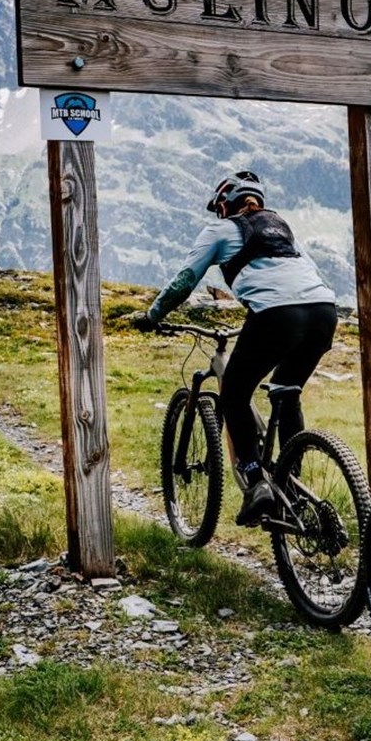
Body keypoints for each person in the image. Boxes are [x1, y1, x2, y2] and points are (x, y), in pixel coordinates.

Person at [134, 170, 339, 525]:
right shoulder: (284, 229)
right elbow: (305, 275)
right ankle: (291, 483)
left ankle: (256, 481)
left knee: (233, 393)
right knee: (286, 391)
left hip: (275, 315)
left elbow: (185, 279)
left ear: (225, 205)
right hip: (323, 312)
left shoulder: (220, 230)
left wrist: (152, 316)